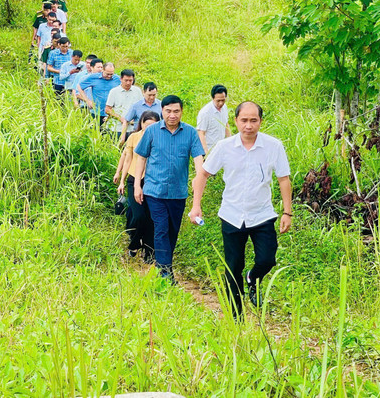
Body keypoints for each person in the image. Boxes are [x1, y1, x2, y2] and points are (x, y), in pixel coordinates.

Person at [189, 101, 292, 319]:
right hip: (232, 215)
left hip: (262, 214)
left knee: (267, 259)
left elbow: (283, 179)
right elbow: (203, 175)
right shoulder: (225, 147)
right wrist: (196, 205)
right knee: (233, 267)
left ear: (260, 122)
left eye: (253, 120)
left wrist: (287, 212)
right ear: (235, 121)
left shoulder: (274, 146)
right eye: (244, 120)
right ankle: (236, 317)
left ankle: (253, 278)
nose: (248, 125)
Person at [134, 95, 205, 282]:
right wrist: (136, 185)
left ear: (181, 112)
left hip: (177, 192)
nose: (172, 115)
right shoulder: (152, 132)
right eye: (168, 111)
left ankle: (161, 264)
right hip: (154, 190)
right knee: (161, 228)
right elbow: (141, 157)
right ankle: (166, 272)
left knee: (173, 230)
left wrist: (200, 176)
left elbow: (199, 160)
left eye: (176, 111)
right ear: (162, 111)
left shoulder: (190, 133)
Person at [114, 110, 161, 264]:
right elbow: (128, 160)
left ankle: (149, 251)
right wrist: (122, 180)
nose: (149, 129)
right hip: (134, 179)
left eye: (153, 126)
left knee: (150, 218)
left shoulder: (161, 139)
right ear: (141, 124)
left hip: (152, 181)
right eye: (146, 125)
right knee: (138, 215)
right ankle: (134, 243)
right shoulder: (134, 137)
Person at [105, 69, 143, 144]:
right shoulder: (114, 91)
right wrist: (121, 119)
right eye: (126, 80)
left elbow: (141, 107)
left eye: (130, 80)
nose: (128, 83)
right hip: (117, 128)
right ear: (121, 79)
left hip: (132, 128)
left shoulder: (137, 91)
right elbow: (107, 109)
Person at [196, 84, 231, 153]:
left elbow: (226, 124)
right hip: (210, 149)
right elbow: (201, 133)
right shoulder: (205, 113)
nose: (221, 103)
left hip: (221, 147)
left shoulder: (224, 108)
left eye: (223, 100)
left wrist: (230, 140)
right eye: (218, 101)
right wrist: (206, 152)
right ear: (212, 98)